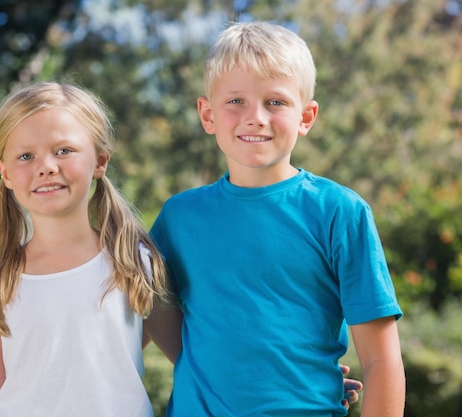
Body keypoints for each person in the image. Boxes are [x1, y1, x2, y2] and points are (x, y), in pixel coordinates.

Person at [149, 20, 405, 417]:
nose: (255, 117)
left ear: (306, 117)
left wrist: (302, 377)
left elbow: (382, 361)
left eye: (276, 102)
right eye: (235, 101)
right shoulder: (178, 218)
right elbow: (147, 321)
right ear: (207, 114)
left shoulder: (340, 212)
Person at [0, 81, 182, 417]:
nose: (46, 166)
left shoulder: (133, 262)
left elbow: (189, 361)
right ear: (5, 172)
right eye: (26, 156)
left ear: (100, 160)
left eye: (64, 151)